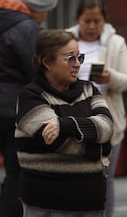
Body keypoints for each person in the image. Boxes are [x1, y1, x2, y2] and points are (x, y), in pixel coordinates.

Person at [0, 0, 57, 217]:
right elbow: (39, 70)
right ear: (35, 6)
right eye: (45, 10)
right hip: (18, 110)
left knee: (13, 171)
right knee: (20, 174)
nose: (46, 16)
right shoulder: (25, 28)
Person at [15, 29, 114, 216]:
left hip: (90, 202)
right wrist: (99, 149)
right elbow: (56, 141)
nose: (77, 64)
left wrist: (67, 124)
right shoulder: (30, 96)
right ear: (47, 63)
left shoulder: (89, 89)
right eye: (70, 58)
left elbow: (107, 127)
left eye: (79, 57)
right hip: (46, 202)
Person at [67, 0, 127, 217]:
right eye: (87, 20)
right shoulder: (65, 40)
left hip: (108, 120)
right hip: (72, 119)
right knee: (73, 178)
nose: (92, 26)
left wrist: (110, 77)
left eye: (97, 21)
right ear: (78, 19)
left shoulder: (116, 43)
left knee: (105, 178)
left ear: (105, 20)